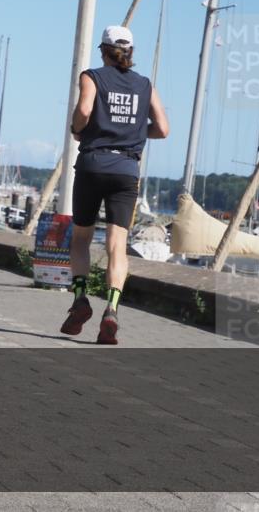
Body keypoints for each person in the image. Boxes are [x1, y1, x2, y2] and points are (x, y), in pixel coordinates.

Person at [62, 26, 169, 345]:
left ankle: (80, 299)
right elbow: (163, 129)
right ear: (131, 52)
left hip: (93, 164)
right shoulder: (146, 85)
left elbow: (84, 111)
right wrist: (133, 131)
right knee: (116, 245)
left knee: (81, 238)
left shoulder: (92, 77)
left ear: (103, 50)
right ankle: (112, 309)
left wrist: (78, 129)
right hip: (126, 169)